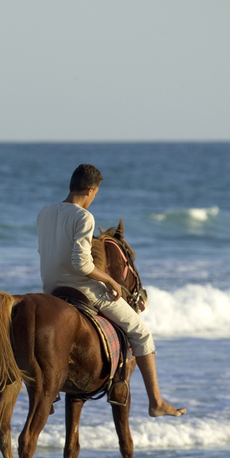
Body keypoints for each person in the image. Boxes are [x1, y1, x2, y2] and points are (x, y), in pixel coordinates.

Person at [37, 163, 185, 417]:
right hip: (82, 289)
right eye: (95, 194)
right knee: (140, 331)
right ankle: (156, 402)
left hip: (51, 288)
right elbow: (81, 263)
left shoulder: (45, 212)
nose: (94, 199)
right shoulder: (84, 217)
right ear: (91, 190)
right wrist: (110, 280)